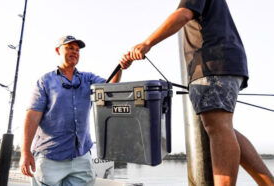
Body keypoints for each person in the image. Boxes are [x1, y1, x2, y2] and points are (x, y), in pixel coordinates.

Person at [120, 1, 274, 186]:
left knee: (219, 128)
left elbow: (183, 14)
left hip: (213, 62)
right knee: (222, 126)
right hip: (224, 62)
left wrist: (147, 43)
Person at [20, 35, 132, 186]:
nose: (75, 52)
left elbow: (110, 87)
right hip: (49, 157)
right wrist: (25, 152)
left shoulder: (88, 78)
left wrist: (120, 67)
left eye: (77, 50)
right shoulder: (45, 81)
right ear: (58, 51)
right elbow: (32, 117)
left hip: (81, 157)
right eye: (70, 48)